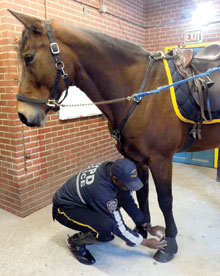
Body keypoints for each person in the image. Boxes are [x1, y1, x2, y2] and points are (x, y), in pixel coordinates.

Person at [52, 158, 167, 265]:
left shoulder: (112, 170)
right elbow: (118, 226)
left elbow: (127, 201)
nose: (130, 188)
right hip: (64, 208)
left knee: (119, 199)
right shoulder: (102, 192)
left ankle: (97, 232)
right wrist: (145, 242)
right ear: (115, 179)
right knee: (106, 226)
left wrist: (146, 226)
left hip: (84, 201)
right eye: (128, 185)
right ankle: (75, 243)